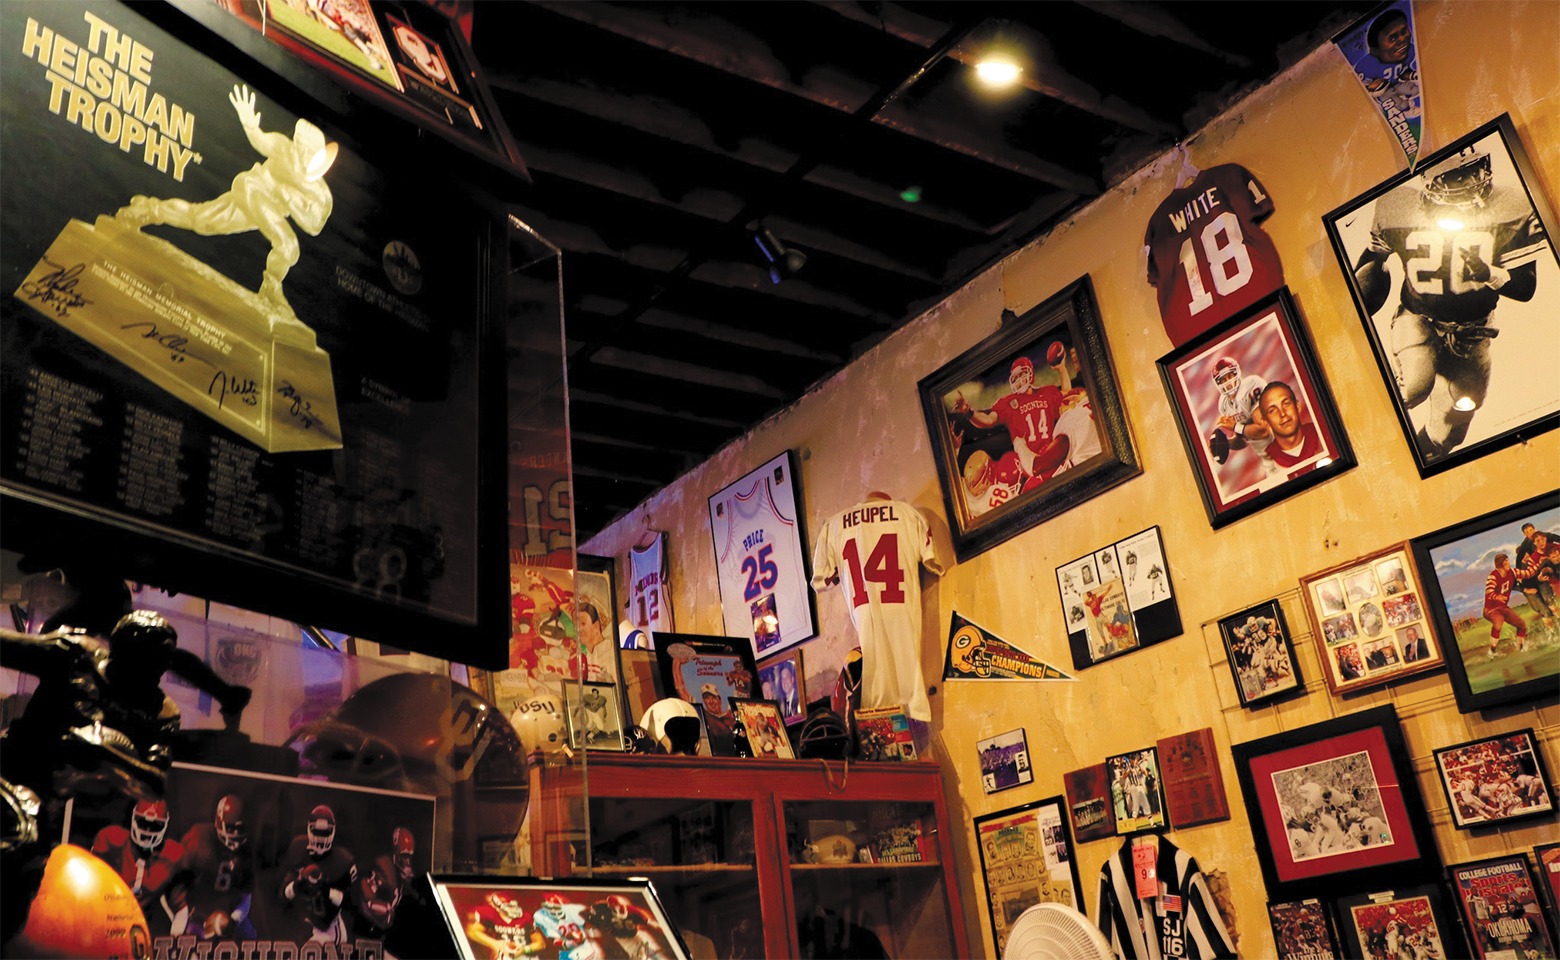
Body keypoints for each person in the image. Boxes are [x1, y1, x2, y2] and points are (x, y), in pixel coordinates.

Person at [1351, 144, 1546, 462]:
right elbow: (1374, 260)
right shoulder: (1398, 206)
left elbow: (1525, 289)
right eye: (1457, 177)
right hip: (1419, 319)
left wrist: (1488, 273)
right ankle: (1364, 444)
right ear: (1429, 181)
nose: (1471, 183)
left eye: (1474, 171)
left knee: (1451, 430)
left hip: (1475, 331)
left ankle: (1412, 464)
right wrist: (1357, 305)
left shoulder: (1513, 207)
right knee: (1413, 388)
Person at [116, 84, 338, 332]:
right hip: (251, 188)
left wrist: (291, 200)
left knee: (202, 221)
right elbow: (261, 141)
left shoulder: (319, 190)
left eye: (311, 152)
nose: (304, 154)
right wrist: (250, 124)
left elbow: (314, 226)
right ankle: (271, 288)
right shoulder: (283, 148)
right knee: (287, 244)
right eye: (302, 148)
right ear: (297, 144)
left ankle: (150, 208)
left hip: (266, 209)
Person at [953, 354, 1068, 478]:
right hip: (1028, 466)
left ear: (1030, 373)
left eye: (1021, 374)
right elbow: (988, 420)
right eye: (1015, 377)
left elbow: (1067, 395)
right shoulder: (1008, 403)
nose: (1018, 380)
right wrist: (968, 412)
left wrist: (1062, 369)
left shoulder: (1048, 392)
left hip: (1053, 453)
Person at [176, 793, 258, 940]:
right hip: (195, 916)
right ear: (219, 823)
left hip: (227, 914)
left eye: (240, 829)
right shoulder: (198, 838)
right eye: (231, 828)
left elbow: (246, 896)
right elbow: (175, 883)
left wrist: (233, 920)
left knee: (252, 939)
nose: (236, 834)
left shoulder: (247, 852)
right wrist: (182, 914)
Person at [91, 799, 185, 918]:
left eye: (155, 826)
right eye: (143, 823)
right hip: (104, 912)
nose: (147, 831)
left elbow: (181, 908)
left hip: (143, 919)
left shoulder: (172, 855)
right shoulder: (112, 840)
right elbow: (89, 884)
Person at [279, 804, 358, 944]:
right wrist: (295, 886)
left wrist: (326, 890)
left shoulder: (343, 860)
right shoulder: (298, 848)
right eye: (317, 832)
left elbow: (350, 905)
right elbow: (282, 894)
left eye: (325, 833)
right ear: (309, 829)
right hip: (303, 924)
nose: (321, 838)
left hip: (328, 928)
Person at [1205, 356, 1274, 472]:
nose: (1228, 382)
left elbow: (1265, 431)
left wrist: (1235, 426)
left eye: (1230, 376)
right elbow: (1244, 439)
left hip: (1284, 447)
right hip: (1268, 461)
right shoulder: (1224, 404)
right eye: (1223, 380)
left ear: (1237, 373)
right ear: (1218, 383)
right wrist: (1224, 444)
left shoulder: (1252, 385)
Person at [351, 826, 416, 940]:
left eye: (409, 856)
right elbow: (367, 897)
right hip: (366, 929)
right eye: (404, 856)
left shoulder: (401, 876)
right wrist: (387, 910)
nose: (407, 862)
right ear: (395, 853)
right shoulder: (384, 869)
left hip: (382, 932)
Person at [1258, 381, 1325, 470]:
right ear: (1266, 422)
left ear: (1297, 406)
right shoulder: (1266, 465)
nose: (1282, 414)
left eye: (1286, 404)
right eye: (1272, 410)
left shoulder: (1323, 435)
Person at [1484, 553, 1530, 659]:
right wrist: (1497, 597)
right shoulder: (1493, 576)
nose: (1509, 563)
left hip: (1503, 608)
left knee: (1522, 625)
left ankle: (1520, 647)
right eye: (1506, 561)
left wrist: (1534, 564)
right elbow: (1489, 592)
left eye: (1508, 561)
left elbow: (1528, 573)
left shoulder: (1512, 572)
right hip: (1491, 609)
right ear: (1500, 564)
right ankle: (1492, 650)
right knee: (1498, 621)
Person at [700, 684, 737, 756]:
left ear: (719, 700)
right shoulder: (707, 717)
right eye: (707, 699)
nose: (711, 702)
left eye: (714, 698)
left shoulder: (731, 715)